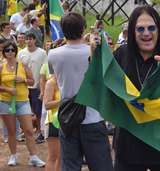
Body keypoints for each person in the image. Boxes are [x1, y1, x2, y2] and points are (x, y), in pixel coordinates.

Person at [110, 5, 160, 171]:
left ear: (159, 30)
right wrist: (94, 56)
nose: (146, 33)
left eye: (151, 28)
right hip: (129, 144)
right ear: (132, 32)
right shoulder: (122, 55)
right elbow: (105, 86)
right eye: (140, 29)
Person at [48, 12, 114, 171]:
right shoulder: (95, 52)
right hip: (93, 117)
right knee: (101, 166)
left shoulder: (53, 54)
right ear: (83, 28)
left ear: (63, 30)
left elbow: (55, 75)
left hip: (67, 118)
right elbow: (108, 71)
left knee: (70, 166)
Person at [0, 41, 45, 167]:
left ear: (15, 51)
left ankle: (33, 157)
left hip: (23, 101)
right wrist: (7, 90)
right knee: (12, 131)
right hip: (6, 102)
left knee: (29, 131)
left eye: (12, 50)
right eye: (7, 50)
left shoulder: (23, 66)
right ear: (4, 53)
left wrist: (23, 80)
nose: (10, 52)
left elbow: (32, 82)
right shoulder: (1, 67)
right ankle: (13, 156)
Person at [18, 32, 47, 144]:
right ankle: (25, 131)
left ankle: (40, 131)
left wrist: (42, 85)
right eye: (27, 39)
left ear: (35, 40)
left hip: (36, 87)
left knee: (38, 111)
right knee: (24, 111)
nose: (29, 41)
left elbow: (43, 70)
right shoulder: (21, 53)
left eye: (31, 39)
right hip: (24, 86)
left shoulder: (42, 53)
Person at [44, 74, 61, 171]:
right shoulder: (51, 82)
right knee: (53, 156)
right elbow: (47, 104)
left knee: (62, 157)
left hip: (65, 123)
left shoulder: (67, 81)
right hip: (53, 122)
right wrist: (63, 101)